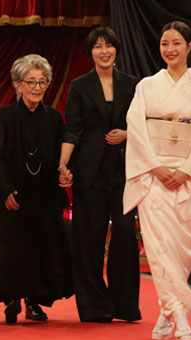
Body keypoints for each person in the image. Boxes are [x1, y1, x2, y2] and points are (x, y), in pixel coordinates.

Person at [123, 21, 191, 340]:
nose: (170, 49)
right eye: (164, 43)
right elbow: (136, 128)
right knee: (159, 249)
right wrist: (155, 165)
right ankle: (180, 318)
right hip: (154, 175)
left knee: (182, 251)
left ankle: (167, 313)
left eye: (176, 43)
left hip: (188, 175)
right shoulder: (147, 86)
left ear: (189, 46)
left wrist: (187, 170)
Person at [58, 26, 141, 323]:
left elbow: (145, 125)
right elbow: (71, 129)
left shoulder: (133, 85)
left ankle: (125, 305)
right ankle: (95, 306)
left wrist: (127, 134)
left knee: (124, 234)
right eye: (97, 46)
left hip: (123, 171)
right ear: (91, 52)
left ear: (116, 50)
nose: (104, 51)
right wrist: (63, 165)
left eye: (109, 46)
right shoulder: (80, 85)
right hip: (89, 173)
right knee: (88, 239)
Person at [0, 54, 73, 324]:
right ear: (18, 84)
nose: (37, 87)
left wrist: (65, 174)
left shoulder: (54, 117)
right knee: (11, 248)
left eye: (42, 82)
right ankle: (11, 299)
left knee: (41, 248)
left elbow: (59, 156)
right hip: (13, 193)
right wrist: (6, 189)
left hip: (44, 194)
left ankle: (34, 302)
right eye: (31, 82)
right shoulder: (4, 115)